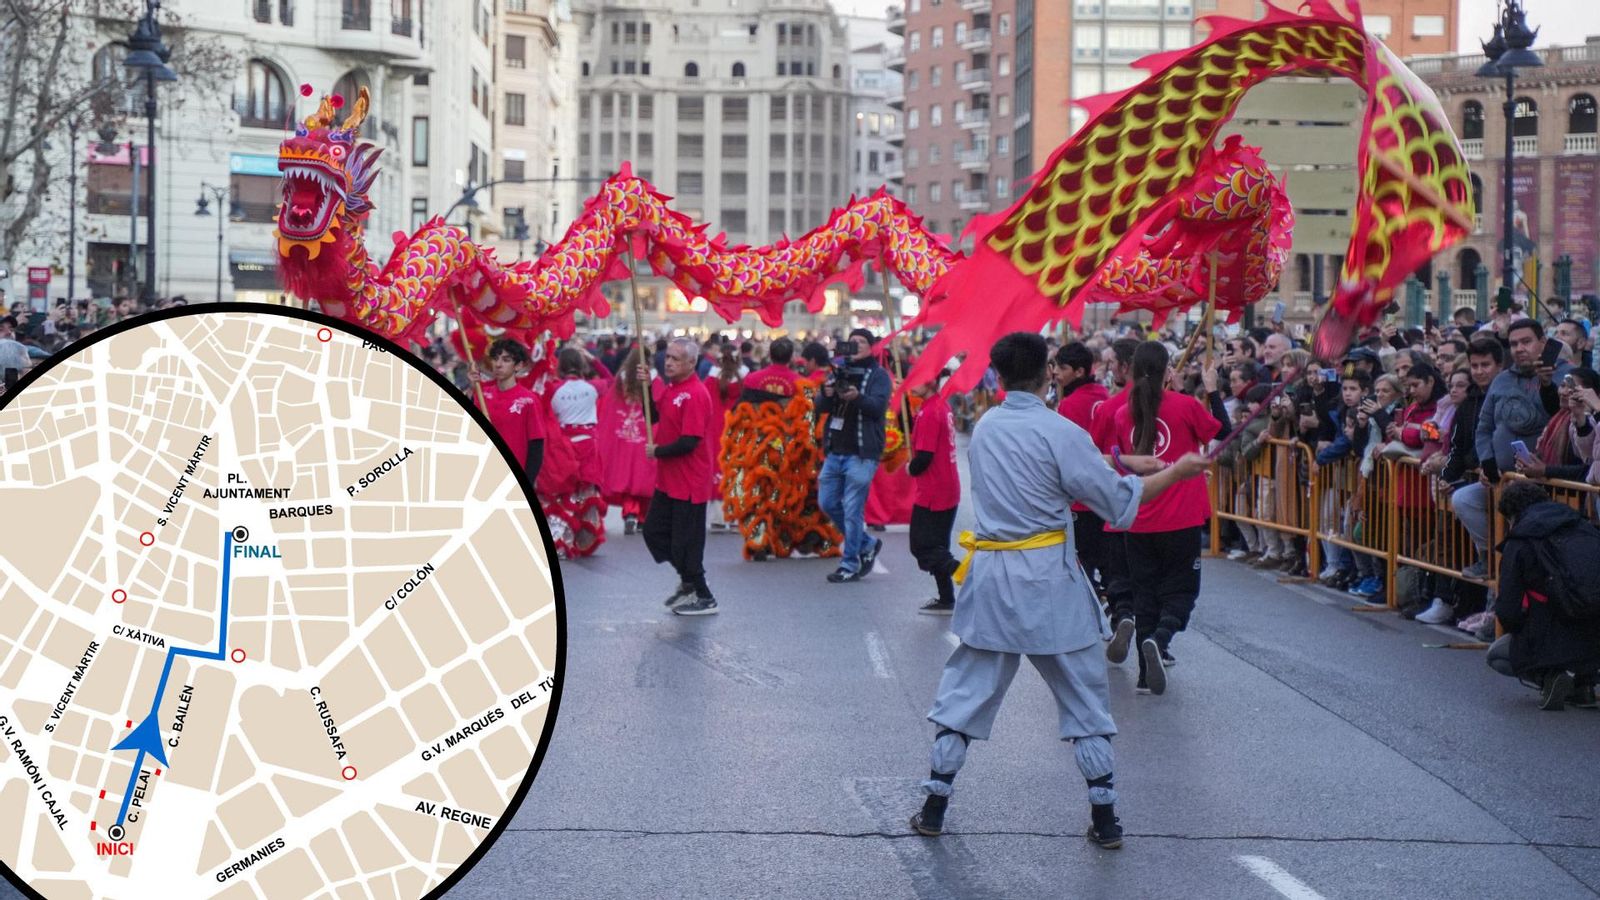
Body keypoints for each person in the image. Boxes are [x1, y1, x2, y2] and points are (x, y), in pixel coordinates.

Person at [909, 331, 1209, 846]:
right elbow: (1117, 501)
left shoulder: (986, 427)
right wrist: (1179, 471)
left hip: (993, 577)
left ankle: (934, 807)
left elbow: (1044, 467)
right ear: (1048, 373)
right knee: (1084, 699)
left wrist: (1118, 462)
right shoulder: (1060, 431)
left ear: (999, 376)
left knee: (966, 693)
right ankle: (1105, 819)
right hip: (1048, 578)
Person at [1111, 341, 1228, 694]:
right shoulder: (1185, 405)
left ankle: (1144, 674)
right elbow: (1222, 432)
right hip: (1181, 515)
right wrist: (1211, 390)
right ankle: (1160, 640)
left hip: (1139, 514)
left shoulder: (1123, 413)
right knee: (1181, 590)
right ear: (1167, 371)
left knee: (1144, 594)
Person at [1455, 319, 1571, 581]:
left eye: (1526, 342)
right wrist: (1487, 461)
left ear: (1543, 343)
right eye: (1514, 343)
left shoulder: (1565, 375)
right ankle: (1490, 557)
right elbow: (1484, 427)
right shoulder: (1502, 380)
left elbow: (1563, 416)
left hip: (1546, 481)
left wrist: (1547, 385)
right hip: (1503, 478)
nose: (1519, 348)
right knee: (1463, 499)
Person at [720, 338, 843, 560]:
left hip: (757, 448)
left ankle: (758, 539)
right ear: (791, 357)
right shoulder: (800, 383)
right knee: (789, 494)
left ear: (770, 354)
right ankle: (799, 535)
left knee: (758, 494)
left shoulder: (752, 379)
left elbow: (739, 414)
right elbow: (810, 418)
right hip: (790, 450)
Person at [1487, 480, 1600, 710]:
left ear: (1512, 516)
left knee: (1496, 655)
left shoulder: (1520, 541)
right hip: (1594, 632)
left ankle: (1549, 677)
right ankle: (1584, 686)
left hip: (1547, 633)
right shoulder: (1584, 527)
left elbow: (1508, 608)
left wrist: (1519, 631)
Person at [639, 338, 720, 615]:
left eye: (676, 359)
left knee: (686, 542)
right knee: (653, 532)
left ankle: (703, 594)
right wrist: (646, 387)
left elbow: (689, 441)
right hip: (668, 479)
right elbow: (654, 417)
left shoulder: (695, 394)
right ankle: (689, 582)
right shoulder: (672, 389)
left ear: (691, 363)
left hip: (690, 480)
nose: (669, 362)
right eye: (668, 357)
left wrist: (658, 451)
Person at [816, 328, 893, 583]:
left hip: (861, 453)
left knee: (852, 510)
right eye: (852, 342)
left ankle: (849, 564)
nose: (856, 345)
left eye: (861, 342)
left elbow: (877, 407)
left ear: (872, 347)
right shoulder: (838, 371)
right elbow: (820, 407)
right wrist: (826, 394)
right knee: (827, 502)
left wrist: (857, 397)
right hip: (835, 451)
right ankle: (866, 544)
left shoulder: (879, 376)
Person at [543, 347, 608, 559]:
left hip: (564, 445)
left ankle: (562, 540)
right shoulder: (593, 387)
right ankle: (585, 538)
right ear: (581, 365)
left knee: (564, 493)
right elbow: (612, 380)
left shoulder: (554, 389)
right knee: (587, 491)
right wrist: (594, 361)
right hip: (588, 443)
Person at [908, 368, 961, 614]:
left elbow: (924, 457)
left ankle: (964, 572)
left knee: (922, 546)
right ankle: (946, 598)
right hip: (946, 485)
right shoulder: (939, 405)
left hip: (934, 490)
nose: (912, 383)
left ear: (930, 381)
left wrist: (910, 468)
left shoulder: (930, 412)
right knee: (938, 545)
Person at [597, 344, 657, 535]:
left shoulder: (621, 379)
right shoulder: (653, 378)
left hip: (622, 435)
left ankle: (630, 512)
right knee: (643, 477)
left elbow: (608, 406)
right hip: (644, 433)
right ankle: (641, 516)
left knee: (625, 476)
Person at [479, 339, 547, 488]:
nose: (498, 364)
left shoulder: (529, 401)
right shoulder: (481, 396)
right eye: (495, 358)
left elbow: (536, 446)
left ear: (518, 365)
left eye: (506, 360)